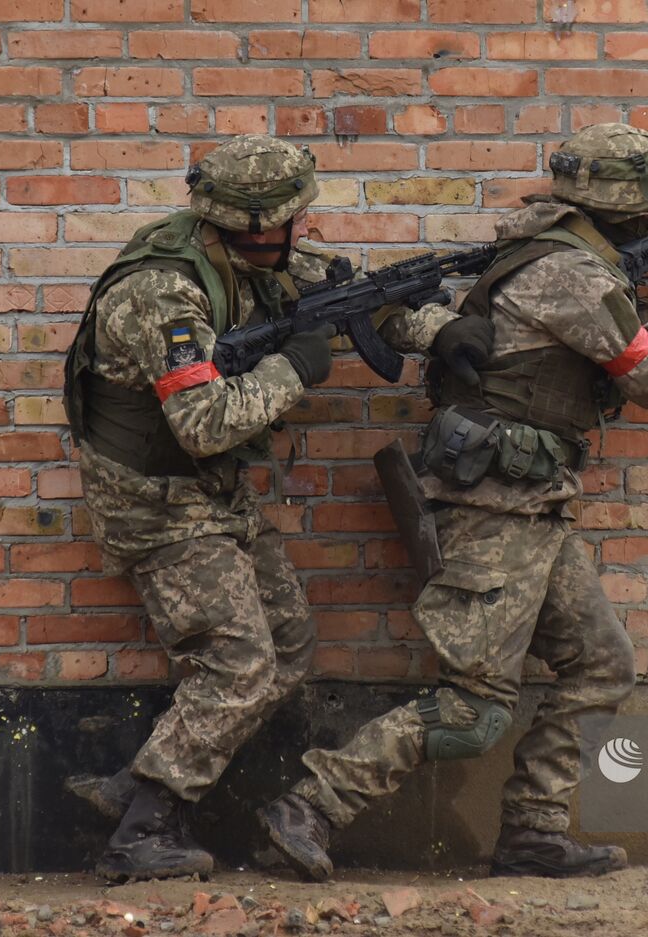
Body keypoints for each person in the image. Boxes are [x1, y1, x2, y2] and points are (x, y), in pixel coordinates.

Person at [256, 123, 648, 881]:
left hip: (532, 500)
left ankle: (533, 833)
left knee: (600, 663)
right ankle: (309, 804)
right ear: (631, 208)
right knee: (473, 708)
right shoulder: (572, 276)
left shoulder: (575, 254)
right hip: (496, 503)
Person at [62, 133, 494, 882]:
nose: (303, 229)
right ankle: (141, 829)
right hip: (155, 503)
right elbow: (201, 426)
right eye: (293, 218)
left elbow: (353, 302)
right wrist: (294, 365)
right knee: (240, 664)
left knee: (289, 644)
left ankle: (135, 784)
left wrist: (437, 332)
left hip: (211, 494)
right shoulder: (165, 292)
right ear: (255, 224)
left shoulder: (256, 257)